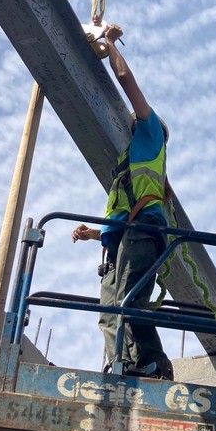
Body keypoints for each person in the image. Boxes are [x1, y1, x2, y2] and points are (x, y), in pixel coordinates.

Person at [71, 23, 174, 380]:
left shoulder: (151, 135)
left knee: (129, 300)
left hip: (144, 230)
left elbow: (127, 81)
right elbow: (120, 211)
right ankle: (121, 365)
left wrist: (111, 43)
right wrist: (92, 235)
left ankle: (153, 363)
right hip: (124, 237)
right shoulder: (128, 160)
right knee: (109, 311)